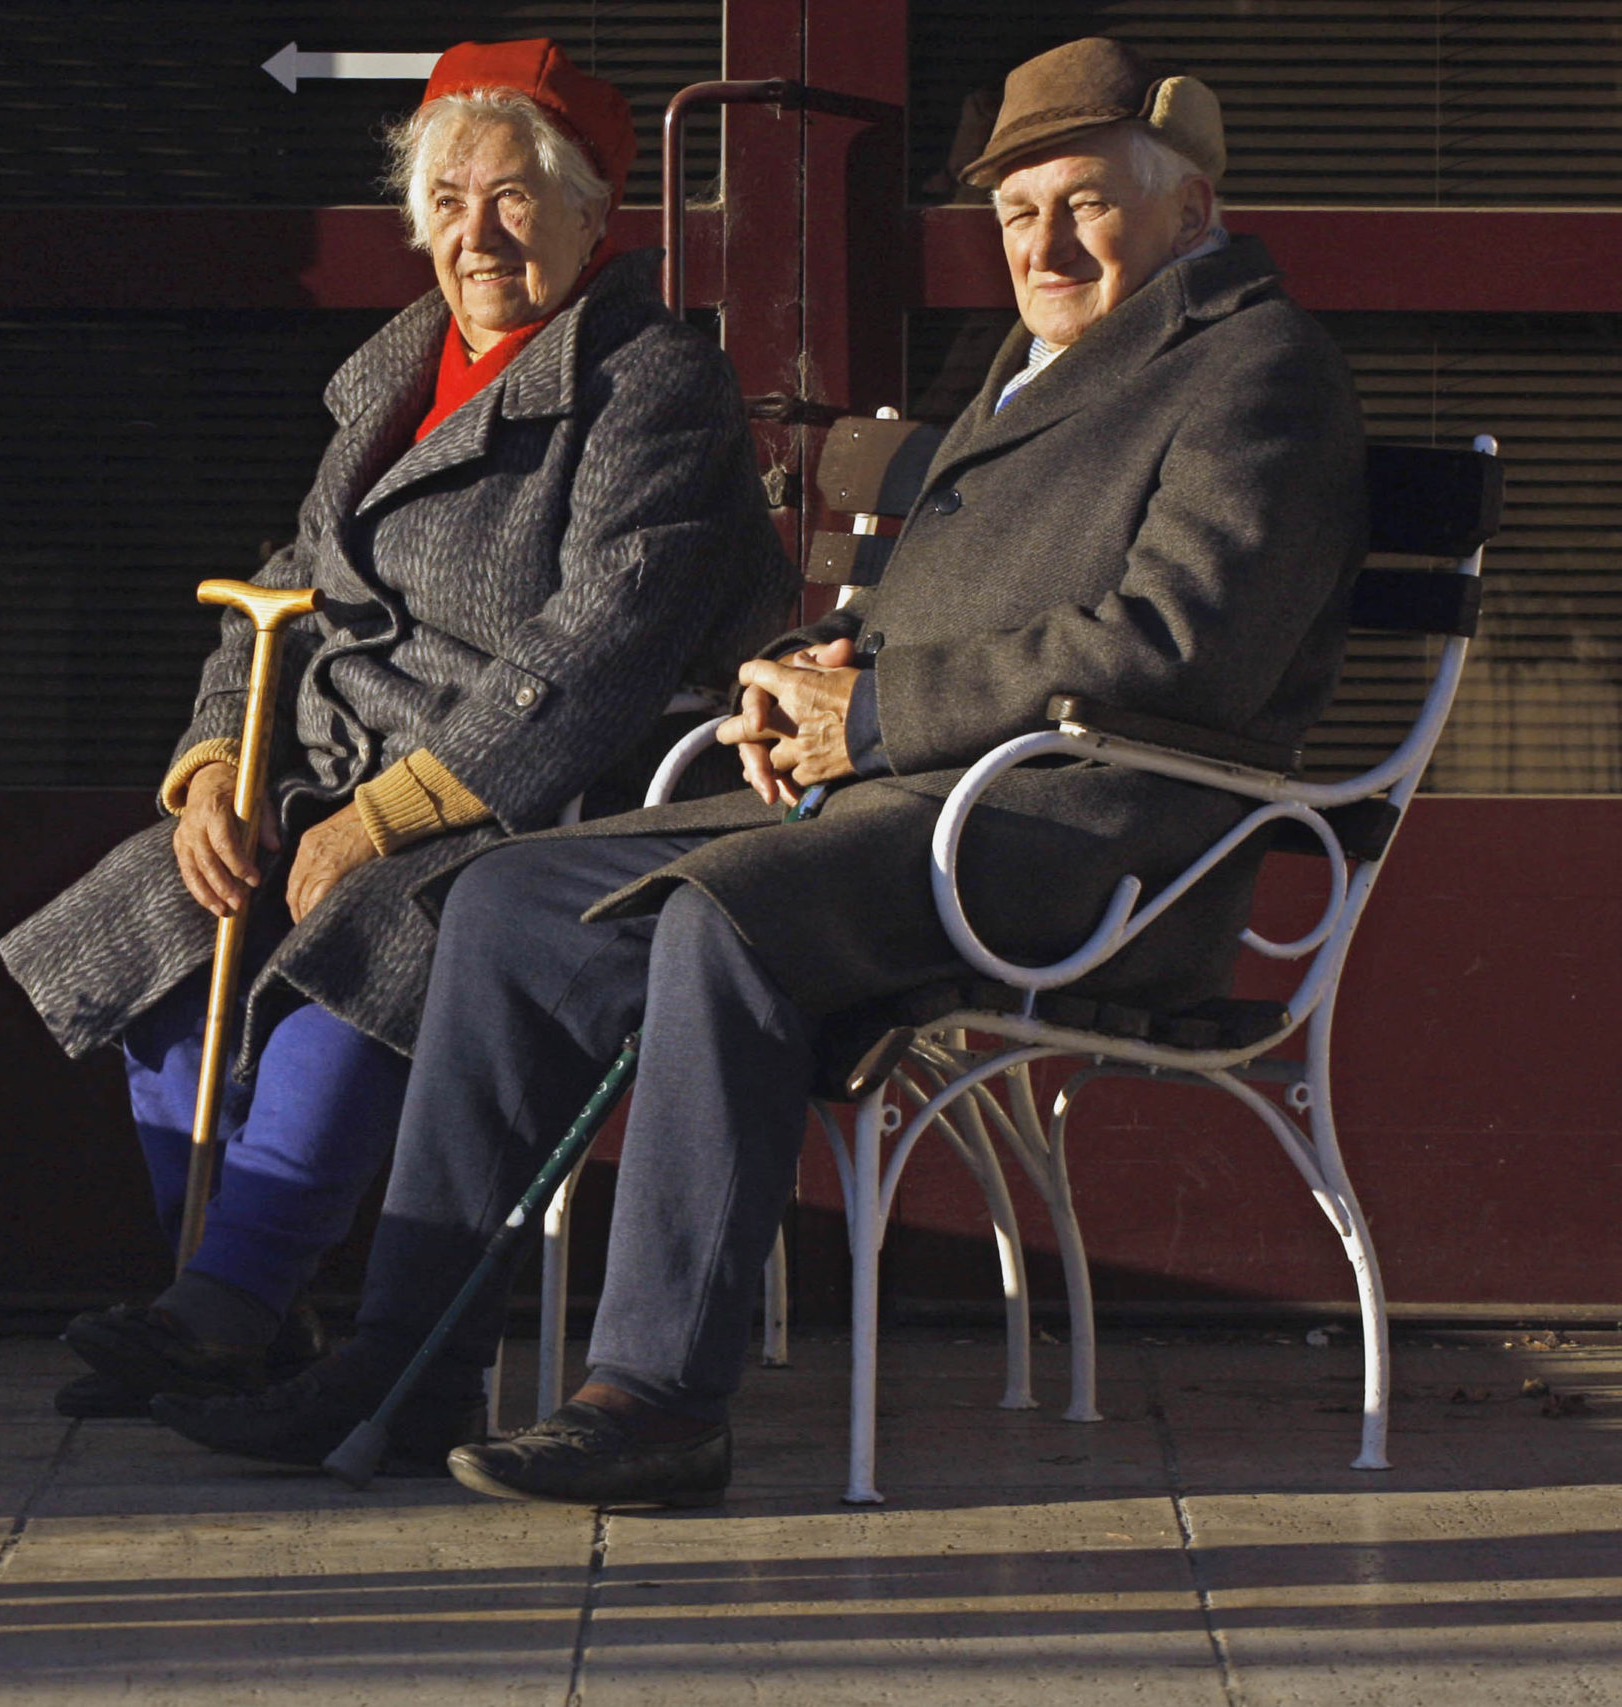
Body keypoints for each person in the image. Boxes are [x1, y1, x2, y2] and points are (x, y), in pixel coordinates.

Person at [155, 36, 1369, 1503]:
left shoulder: (1254, 367)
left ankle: (656, 1396)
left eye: (1087, 205)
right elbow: (935, 621)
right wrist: (811, 678)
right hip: (914, 803)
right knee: (499, 903)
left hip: (1085, 834)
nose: (1044, 244)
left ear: (1190, 210)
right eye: (1017, 213)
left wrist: (873, 715)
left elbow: (1178, 644)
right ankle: (405, 1363)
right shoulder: (1043, 363)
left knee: (723, 916)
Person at [0, 40, 787, 1421]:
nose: (477, 234)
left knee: (368, 924)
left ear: (596, 212)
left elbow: (602, 641)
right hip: (328, 773)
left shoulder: (648, 382)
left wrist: (391, 813)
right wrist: (209, 773)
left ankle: (228, 1297)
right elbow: (278, 593)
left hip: (531, 800)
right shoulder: (392, 376)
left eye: (516, 197)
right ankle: (235, 1301)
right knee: (157, 910)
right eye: (448, 198)